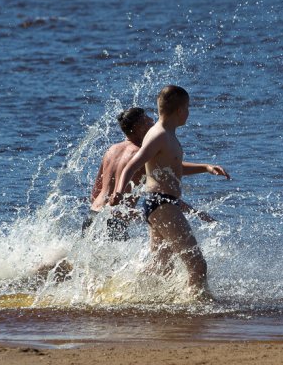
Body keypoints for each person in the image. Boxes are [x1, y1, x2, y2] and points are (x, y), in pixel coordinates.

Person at [110, 85, 230, 297]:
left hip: (160, 204)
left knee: (162, 267)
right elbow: (132, 165)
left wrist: (205, 168)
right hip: (161, 203)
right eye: (188, 108)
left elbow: (175, 168)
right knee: (197, 264)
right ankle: (197, 305)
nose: (189, 112)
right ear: (181, 110)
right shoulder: (159, 135)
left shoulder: (167, 135)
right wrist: (119, 191)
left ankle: (126, 294)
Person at [83, 107, 216, 241]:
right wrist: (198, 213)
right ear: (139, 127)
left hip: (93, 214)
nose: (153, 121)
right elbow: (172, 173)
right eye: (147, 120)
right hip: (114, 220)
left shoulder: (111, 150)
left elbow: (96, 191)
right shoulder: (141, 155)